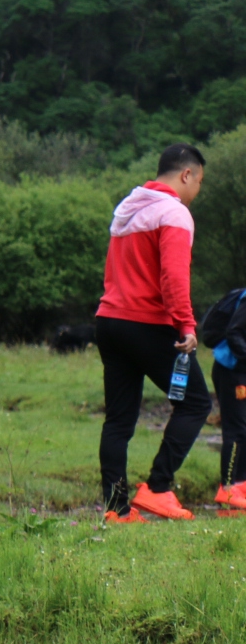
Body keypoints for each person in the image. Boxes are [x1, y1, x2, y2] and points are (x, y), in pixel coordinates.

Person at [98, 143, 209, 522]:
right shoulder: (173, 213)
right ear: (186, 175)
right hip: (145, 321)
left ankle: (116, 510)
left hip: (110, 320)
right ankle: (159, 488)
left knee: (119, 420)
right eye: (200, 182)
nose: (198, 191)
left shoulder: (128, 208)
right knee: (196, 402)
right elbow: (174, 276)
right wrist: (187, 324)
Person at [210, 285, 246, 511]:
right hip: (232, 370)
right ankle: (228, 487)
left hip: (241, 370)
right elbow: (234, 332)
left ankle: (240, 487)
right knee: (236, 429)